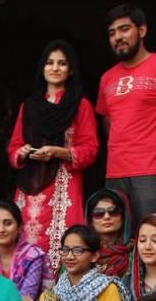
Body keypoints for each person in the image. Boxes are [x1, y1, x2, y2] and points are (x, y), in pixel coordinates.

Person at [96, 4, 156, 221]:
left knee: (152, 233)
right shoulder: (107, 78)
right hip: (115, 173)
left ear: (142, 30)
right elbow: (108, 123)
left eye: (124, 29)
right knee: (117, 236)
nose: (118, 37)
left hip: (153, 171)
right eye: (112, 33)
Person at [8, 39, 98, 272]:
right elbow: (14, 147)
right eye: (50, 62)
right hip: (31, 188)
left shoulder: (80, 105)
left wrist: (61, 152)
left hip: (64, 187)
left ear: (70, 70)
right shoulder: (29, 106)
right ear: (42, 68)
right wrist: (22, 152)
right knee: (26, 250)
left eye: (62, 63)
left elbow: (90, 149)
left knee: (66, 248)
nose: (55, 68)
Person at [0, 199, 53, 301]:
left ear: (19, 227)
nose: (1, 230)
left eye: (8, 223)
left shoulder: (32, 256)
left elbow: (27, 298)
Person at [84, 187, 133, 277]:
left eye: (113, 211)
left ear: (123, 217)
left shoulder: (136, 251)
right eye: (99, 213)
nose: (106, 217)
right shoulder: (82, 253)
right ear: (91, 221)